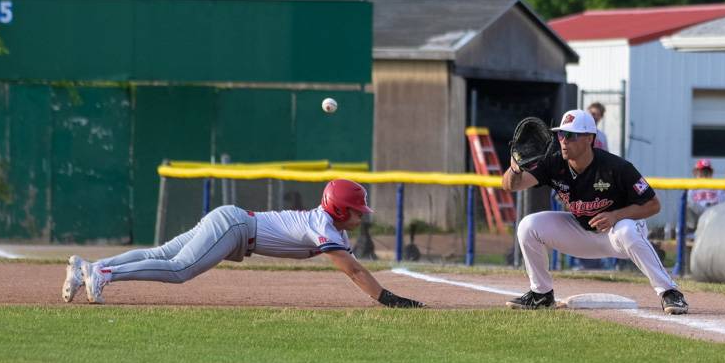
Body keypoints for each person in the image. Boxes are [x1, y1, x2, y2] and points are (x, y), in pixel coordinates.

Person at [62, 179, 424, 308]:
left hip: (234, 223)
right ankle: (103, 272)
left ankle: (88, 270)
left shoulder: (333, 229)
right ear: (342, 210)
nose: (362, 216)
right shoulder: (325, 228)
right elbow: (354, 271)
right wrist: (386, 298)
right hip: (235, 227)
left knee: (163, 255)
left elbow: (354, 262)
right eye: (357, 211)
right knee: (179, 270)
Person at [502, 109, 688, 315]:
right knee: (529, 226)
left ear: (590, 138)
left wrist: (615, 215)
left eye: (571, 135)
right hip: (581, 233)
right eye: (561, 134)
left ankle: (670, 292)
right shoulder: (553, 163)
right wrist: (515, 169)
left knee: (627, 230)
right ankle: (541, 295)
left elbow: (653, 205)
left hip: (617, 235)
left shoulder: (616, 167)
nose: (564, 140)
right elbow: (512, 186)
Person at [685, 159, 725, 234]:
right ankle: (691, 231)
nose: (704, 176)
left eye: (707, 173)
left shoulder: (718, 187)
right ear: (696, 174)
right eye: (701, 173)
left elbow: (724, 203)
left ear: (711, 174)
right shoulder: (692, 188)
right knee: (686, 204)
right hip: (698, 215)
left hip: (713, 214)